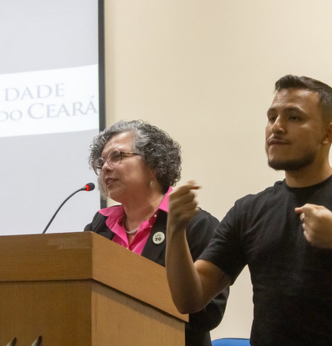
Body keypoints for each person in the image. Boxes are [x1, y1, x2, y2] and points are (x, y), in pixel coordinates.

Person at [166, 75, 332, 346]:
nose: (277, 128)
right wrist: (176, 231)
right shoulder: (248, 210)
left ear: (329, 134)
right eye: (272, 117)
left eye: (294, 117)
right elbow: (189, 300)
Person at [84, 120, 229, 346]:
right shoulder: (100, 226)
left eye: (117, 156)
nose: (106, 167)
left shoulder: (197, 225)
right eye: (101, 162)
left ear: (153, 164)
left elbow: (209, 313)